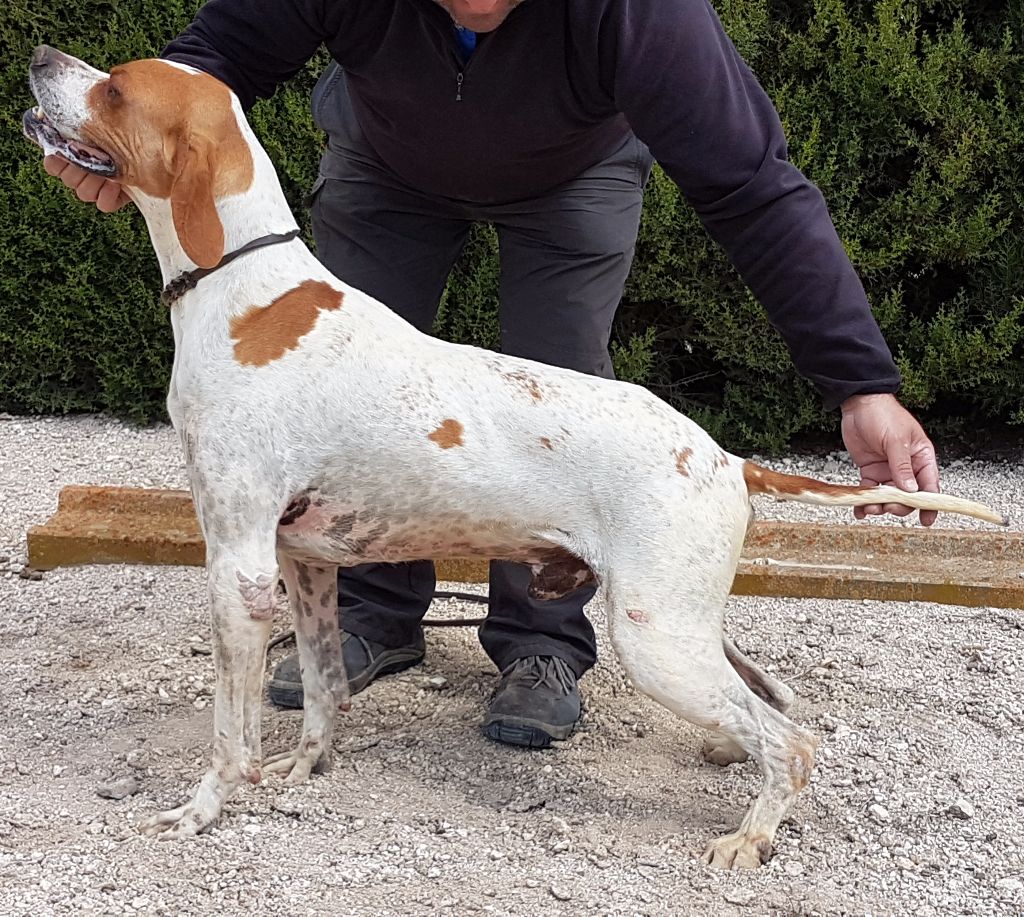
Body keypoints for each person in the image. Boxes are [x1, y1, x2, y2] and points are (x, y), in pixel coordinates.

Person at [45, 0, 940, 749]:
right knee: (349, 412)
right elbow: (213, 62)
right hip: (386, 159)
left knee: (558, 402)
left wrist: (861, 384)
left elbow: (752, 185)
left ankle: (541, 639)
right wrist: (116, 142)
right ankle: (372, 613)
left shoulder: (644, 13)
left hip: (574, 174)